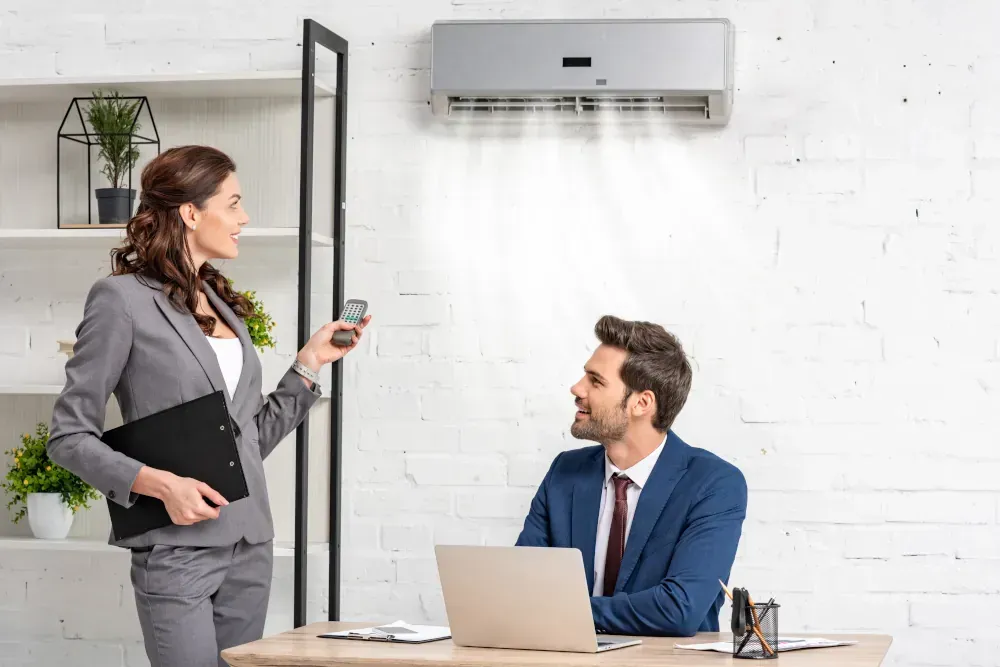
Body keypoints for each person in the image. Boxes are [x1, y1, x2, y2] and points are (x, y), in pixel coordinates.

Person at [46, 145, 371, 667]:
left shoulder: (219, 302)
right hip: (176, 550)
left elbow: (246, 441)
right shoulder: (120, 300)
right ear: (191, 212)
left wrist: (310, 363)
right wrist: (161, 485)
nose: (244, 218)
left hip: (248, 544)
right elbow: (68, 437)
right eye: (234, 203)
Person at [515, 315, 747, 637]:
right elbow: (520, 590)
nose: (577, 388)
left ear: (642, 403)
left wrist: (564, 610)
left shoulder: (713, 484)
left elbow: (680, 609)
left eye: (595, 381)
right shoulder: (564, 473)